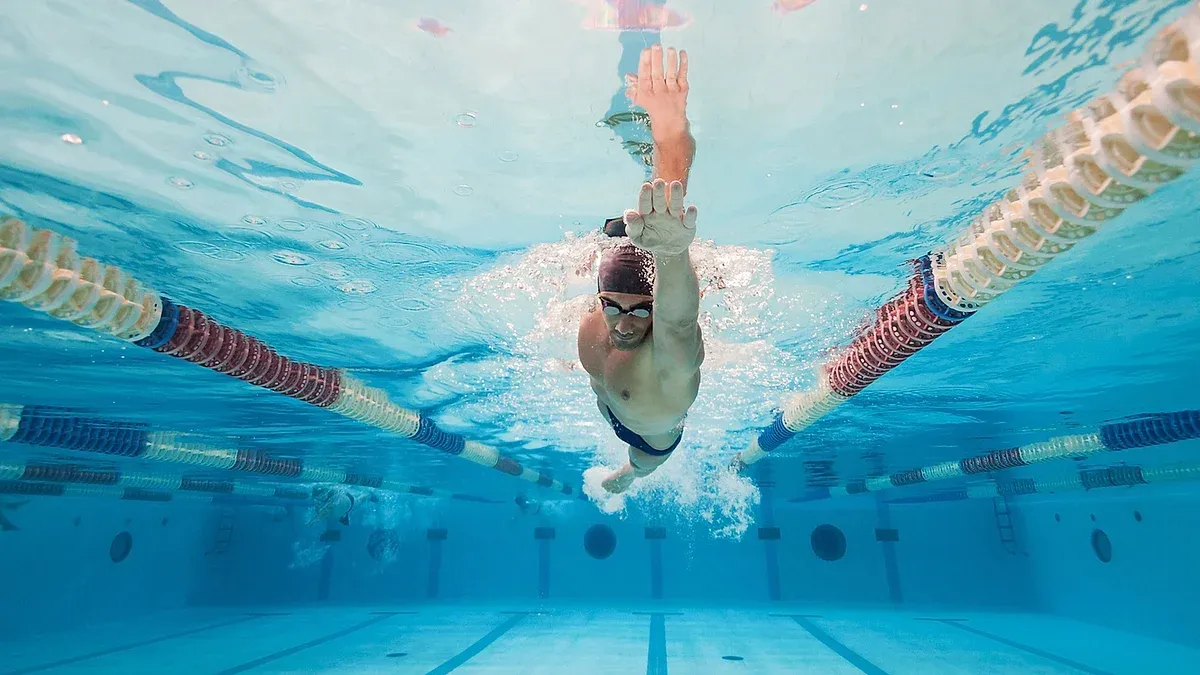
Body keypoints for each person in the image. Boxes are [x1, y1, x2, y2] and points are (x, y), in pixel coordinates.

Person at [578, 45, 703, 495]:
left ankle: (632, 477)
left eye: (641, 311)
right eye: (612, 306)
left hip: (650, 437)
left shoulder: (670, 365)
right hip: (612, 403)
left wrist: (670, 130)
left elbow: (679, 319)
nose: (624, 322)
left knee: (640, 466)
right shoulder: (600, 313)